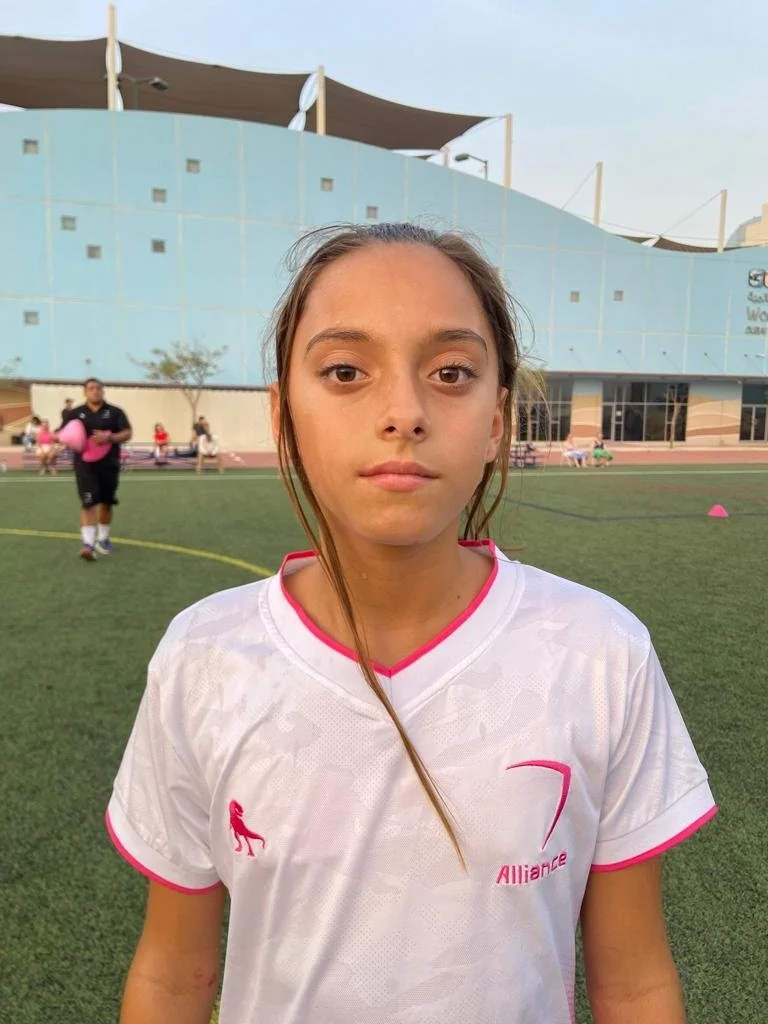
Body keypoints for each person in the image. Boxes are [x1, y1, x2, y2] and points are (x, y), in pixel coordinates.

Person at [106, 224, 716, 1024]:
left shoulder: (601, 653)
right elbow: (174, 974)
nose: (404, 412)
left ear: (497, 419)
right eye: (346, 371)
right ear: (284, 414)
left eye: (452, 372)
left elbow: (633, 985)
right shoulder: (205, 657)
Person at [57, 378, 132, 560]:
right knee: (88, 502)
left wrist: (110, 438)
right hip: (85, 466)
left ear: (103, 391)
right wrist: (65, 439)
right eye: (91, 388)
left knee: (106, 503)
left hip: (109, 464)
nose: (95, 391)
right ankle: (88, 545)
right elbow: (61, 434)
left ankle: (103, 540)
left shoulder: (115, 412)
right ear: (85, 392)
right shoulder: (75, 414)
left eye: (98, 388)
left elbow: (127, 433)